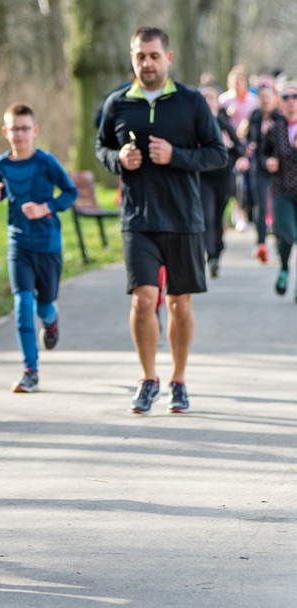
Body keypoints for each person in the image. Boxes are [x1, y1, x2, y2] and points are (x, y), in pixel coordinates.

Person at [95, 26, 227, 415]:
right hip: (137, 218)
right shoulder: (117, 104)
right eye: (140, 56)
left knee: (179, 305)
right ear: (132, 58)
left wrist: (178, 155)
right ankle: (148, 378)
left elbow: (218, 154)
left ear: (168, 58)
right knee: (143, 300)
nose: (147, 62)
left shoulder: (190, 102)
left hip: (184, 218)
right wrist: (118, 159)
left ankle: (179, 381)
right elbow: (101, 147)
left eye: (154, 55)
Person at [0, 103, 77, 393]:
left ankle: (51, 323)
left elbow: (70, 193)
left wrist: (45, 208)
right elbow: (3, 190)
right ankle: (30, 370)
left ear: (34, 130)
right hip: (19, 244)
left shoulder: (46, 162)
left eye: (25, 128)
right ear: (6, 131)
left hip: (48, 245)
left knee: (44, 306)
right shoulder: (1, 164)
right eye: (14, 129)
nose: (20, 134)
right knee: (22, 304)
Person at [199, 85, 245, 278]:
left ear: (217, 102)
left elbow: (240, 149)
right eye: (204, 98)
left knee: (217, 218)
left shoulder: (223, 124)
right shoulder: (195, 126)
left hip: (223, 179)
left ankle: (217, 248)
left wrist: (230, 145)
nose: (207, 102)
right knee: (206, 217)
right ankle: (211, 256)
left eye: (211, 98)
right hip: (202, 178)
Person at [260, 81, 297, 299]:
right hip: (282, 190)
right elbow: (262, 156)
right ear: (279, 102)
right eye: (286, 97)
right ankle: (284, 266)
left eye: (295, 96)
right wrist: (268, 162)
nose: (291, 101)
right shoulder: (274, 129)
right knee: (288, 235)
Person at [242, 84, 281, 262]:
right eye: (262, 96)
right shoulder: (255, 116)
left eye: (268, 96)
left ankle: (281, 244)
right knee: (261, 206)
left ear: (274, 97)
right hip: (258, 167)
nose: (266, 100)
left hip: (279, 168)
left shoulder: (279, 118)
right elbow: (248, 138)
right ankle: (261, 244)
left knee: (278, 207)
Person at [219, 66, 258, 233]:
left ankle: (245, 213)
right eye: (234, 82)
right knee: (231, 183)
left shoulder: (252, 101)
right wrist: (227, 115)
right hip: (228, 147)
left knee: (244, 182)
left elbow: (257, 121)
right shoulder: (224, 100)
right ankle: (233, 214)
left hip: (246, 147)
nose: (237, 85)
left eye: (240, 81)